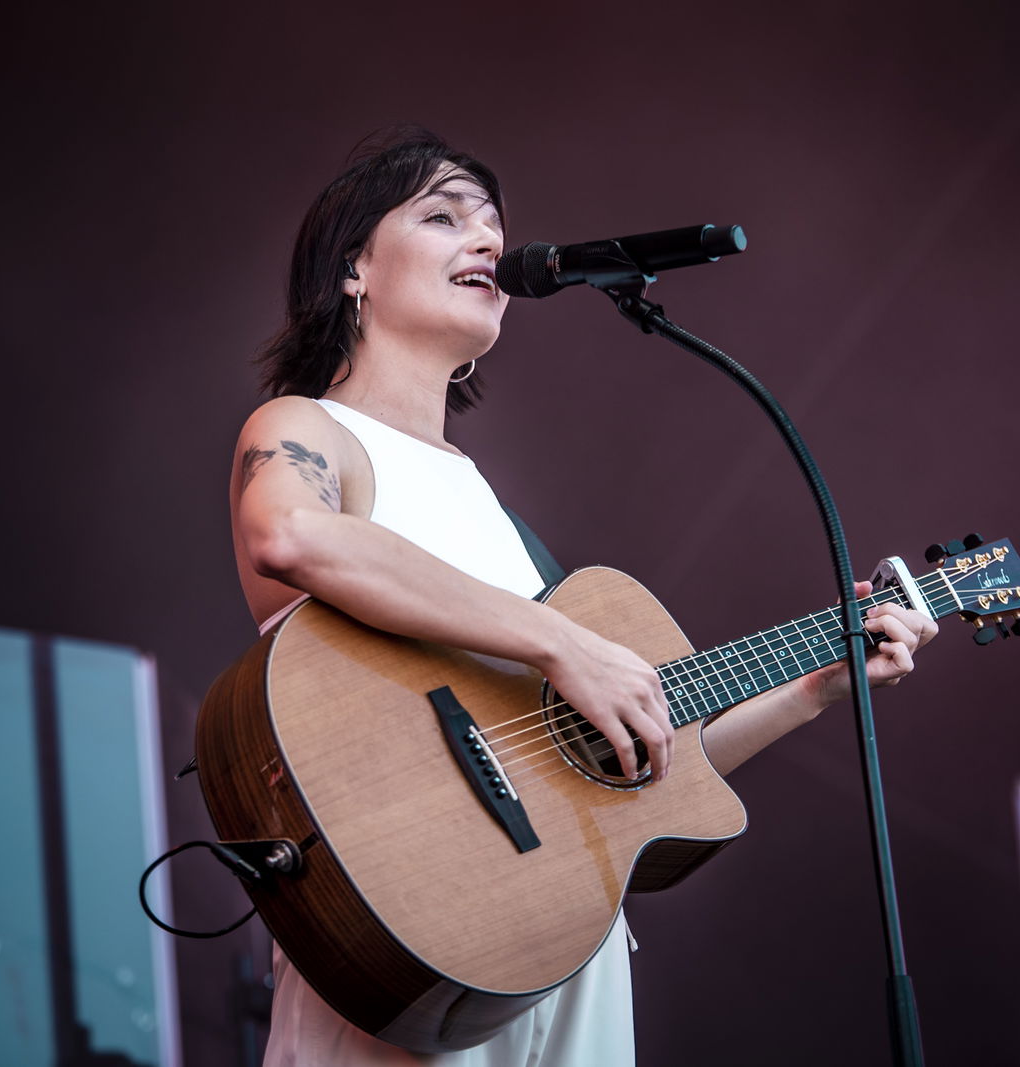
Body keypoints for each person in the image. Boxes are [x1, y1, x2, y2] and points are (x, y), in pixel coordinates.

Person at [228, 130, 938, 1066]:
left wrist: (818, 688)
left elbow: (628, 776)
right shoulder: (308, 427)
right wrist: (563, 645)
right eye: (443, 216)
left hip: (554, 954)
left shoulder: (482, 497)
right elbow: (293, 534)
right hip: (403, 926)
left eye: (495, 224)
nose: (485, 240)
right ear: (353, 269)